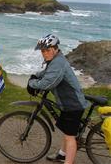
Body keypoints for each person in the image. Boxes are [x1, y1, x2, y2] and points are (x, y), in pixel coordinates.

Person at [27, 34, 89, 164]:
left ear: (55, 49)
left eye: (47, 50)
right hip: (68, 103)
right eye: (43, 51)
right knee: (67, 132)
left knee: (70, 137)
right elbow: (47, 73)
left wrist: (32, 84)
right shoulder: (55, 60)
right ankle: (62, 155)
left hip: (72, 105)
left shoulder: (58, 63)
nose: (44, 53)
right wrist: (35, 76)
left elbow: (48, 83)